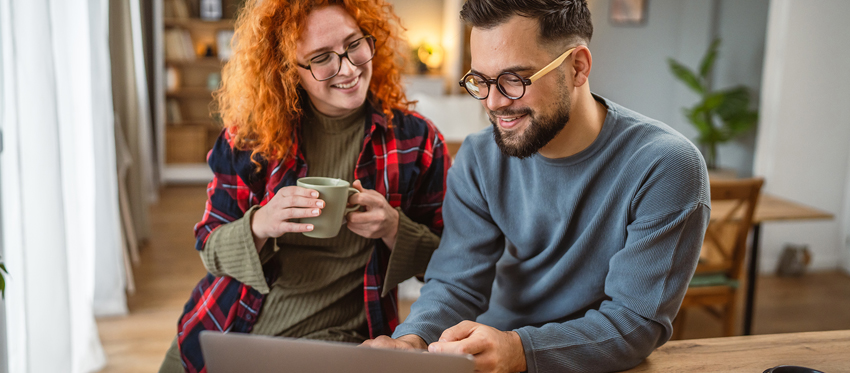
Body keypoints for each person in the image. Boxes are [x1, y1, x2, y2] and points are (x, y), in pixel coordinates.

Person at [362, 0, 711, 372]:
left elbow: (636, 323)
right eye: (481, 80)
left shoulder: (665, 165)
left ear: (578, 66)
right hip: (492, 357)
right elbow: (455, 283)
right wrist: (412, 340)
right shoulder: (479, 157)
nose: (494, 103)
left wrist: (520, 350)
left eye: (515, 79)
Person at [158, 0, 451, 371]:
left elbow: (452, 266)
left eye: (353, 44)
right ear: (287, 69)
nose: (347, 68)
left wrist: (395, 229)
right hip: (229, 324)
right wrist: (259, 224)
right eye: (321, 57)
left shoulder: (417, 141)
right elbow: (209, 248)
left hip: (340, 341)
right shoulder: (249, 139)